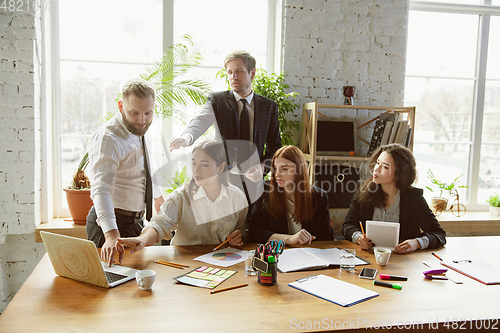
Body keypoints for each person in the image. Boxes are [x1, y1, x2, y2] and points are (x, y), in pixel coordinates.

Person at [168, 50, 282, 205]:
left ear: (252, 73)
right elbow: (200, 120)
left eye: (239, 72)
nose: (233, 77)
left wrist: (262, 167)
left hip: (252, 181)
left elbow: (275, 146)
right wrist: (186, 138)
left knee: (250, 225)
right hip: (222, 178)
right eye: (230, 72)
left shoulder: (268, 107)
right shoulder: (218, 101)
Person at [114, 140, 249, 261]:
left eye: (204, 165)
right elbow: (159, 225)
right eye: (194, 163)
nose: (196, 170)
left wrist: (238, 236)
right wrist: (142, 239)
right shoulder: (180, 196)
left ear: (221, 168)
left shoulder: (237, 198)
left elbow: (242, 228)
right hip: (185, 262)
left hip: (222, 262)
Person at [86, 79, 165, 266]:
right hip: (111, 225)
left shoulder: (142, 129)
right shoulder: (109, 138)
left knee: (133, 288)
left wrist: (158, 199)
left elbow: (145, 169)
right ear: (121, 106)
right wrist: (112, 235)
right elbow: (101, 190)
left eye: (148, 113)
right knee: (110, 289)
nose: (142, 120)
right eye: (134, 113)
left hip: (135, 222)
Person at [342, 144, 446, 254]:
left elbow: (439, 234)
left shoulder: (414, 198)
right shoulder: (364, 190)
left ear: (399, 173)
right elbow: (347, 226)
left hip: (402, 261)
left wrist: (416, 243)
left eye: (385, 167)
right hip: (369, 257)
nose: (376, 169)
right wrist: (359, 238)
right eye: (378, 163)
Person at [248, 145, 333, 245]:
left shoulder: (319, 197)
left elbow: (327, 239)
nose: (277, 174)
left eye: (284, 169)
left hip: (309, 256)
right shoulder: (264, 191)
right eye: (275, 168)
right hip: (278, 255)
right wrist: (289, 239)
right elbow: (255, 231)